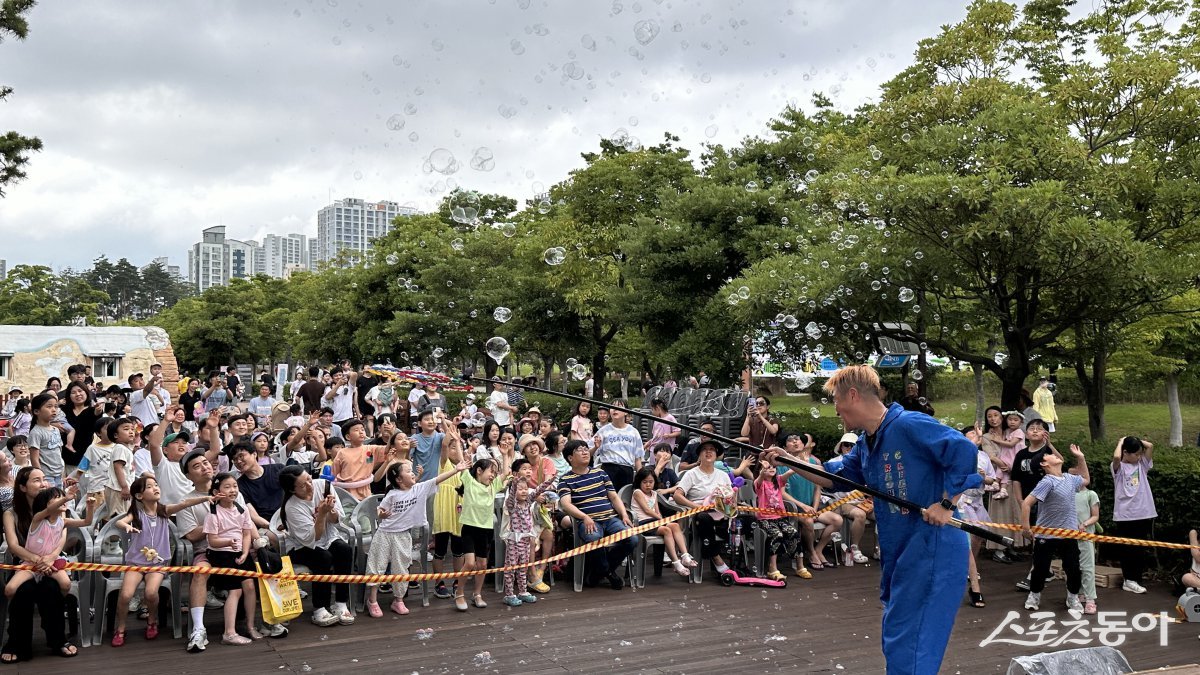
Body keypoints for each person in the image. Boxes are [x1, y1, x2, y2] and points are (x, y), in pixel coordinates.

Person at [767, 364, 981, 675]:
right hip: (902, 548)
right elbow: (833, 478)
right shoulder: (868, 443)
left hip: (932, 544)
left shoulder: (908, 424)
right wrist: (787, 461)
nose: (837, 410)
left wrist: (947, 503)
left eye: (837, 401)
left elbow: (962, 449)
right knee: (898, 633)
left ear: (852, 395)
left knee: (914, 637)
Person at [1, 468, 91, 661]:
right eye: (36, 480)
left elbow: (61, 537)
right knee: (22, 591)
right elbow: (13, 546)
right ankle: (16, 643)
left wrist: (50, 559)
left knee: (52, 588)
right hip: (25, 562)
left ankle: (58, 640)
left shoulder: (57, 509)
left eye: (44, 479)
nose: (43, 484)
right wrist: (37, 560)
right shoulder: (12, 514)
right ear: (23, 487)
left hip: (52, 560)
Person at [111, 476, 211, 645]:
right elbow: (120, 522)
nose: (155, 488)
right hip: (135, 563)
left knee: (151, 593)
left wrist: (206, 498)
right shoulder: (136, 513)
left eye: (156, 485)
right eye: (149, 487)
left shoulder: (164, 511)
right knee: (126, 594)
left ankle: (152, 620)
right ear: (139, 496)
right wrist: (126, 526)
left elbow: (184, 503)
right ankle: (120, 628)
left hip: (157, 564)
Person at [364, 457, 467, 617]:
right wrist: (382, 514)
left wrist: (456, 469)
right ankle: (372, 600)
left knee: (401, 568)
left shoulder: (419, 489)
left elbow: (437, 479)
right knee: (377, 566)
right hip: (384, 535)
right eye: (408, 471)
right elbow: (379, 510)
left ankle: (398, 600)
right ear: (399, 479)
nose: (412, 474)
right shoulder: (392, 494)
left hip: (403, 535)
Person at [278, 465, 355, 627]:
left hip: (329, 537)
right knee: (323, 557)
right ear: (292, 490)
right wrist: (321, 514)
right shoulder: (292, 507)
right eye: (303, 485)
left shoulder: (324, 486)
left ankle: (341, 603)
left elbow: (338, 520)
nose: (309, 485)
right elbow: (313, 539)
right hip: (300, 546)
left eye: (308, 479)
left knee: (344, 550)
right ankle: (319, 608)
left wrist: (330, 511)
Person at [1019, 443, 1091, 612]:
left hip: (1069, 533)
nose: (1056, 455)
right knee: (1041, 568)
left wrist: (1081, 458)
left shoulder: (1069, 478)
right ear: (1045, 464)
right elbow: (1026, 504)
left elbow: (1086, 480)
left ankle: (1073, 598)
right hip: (1047, 534)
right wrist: (1026, 527)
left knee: (1073, 568)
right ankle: (1034, 595)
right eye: (1049, 454)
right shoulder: (1047, 482)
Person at [558, 440, 637, 590]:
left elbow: (614, 497)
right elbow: (566, 504)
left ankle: (599, 572)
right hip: (588, 522)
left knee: (632, 539)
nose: (585, 452)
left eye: (586, 449)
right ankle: (608, 573)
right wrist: (584, 517)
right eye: (579, 450)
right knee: (594, 539)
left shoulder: (600, 473)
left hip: (610, 519)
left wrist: (624, 515)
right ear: (570, 458)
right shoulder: (565, 480)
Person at [672, 439, 735, 575]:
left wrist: (731, 502)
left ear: (717, 454)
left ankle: (739, 563)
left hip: (721, 513)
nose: (708, 452)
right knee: (704, 518)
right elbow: (677, 495)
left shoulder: (723, 475)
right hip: (700, 515)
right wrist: (695, 506)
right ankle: (716, 558)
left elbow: (731, 497)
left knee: (747, 521)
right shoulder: (691, 474)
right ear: (699, 455)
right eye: (704, 449)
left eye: (712, 449)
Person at [454, 457, 510, 610]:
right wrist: (457, 441)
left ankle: (477, 594)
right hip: (469, 528)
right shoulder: (470, 482)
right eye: (491, 471)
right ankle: (459, 593)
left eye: (495, 473)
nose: (493, 475)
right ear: (479, 471)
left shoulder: (493, 486)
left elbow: (506, 472)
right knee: (470, 563)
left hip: (485, 530)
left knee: (483, 564)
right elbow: (462, 464)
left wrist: (505, 454)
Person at [781, 433, 842, 572]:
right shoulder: (782, 464)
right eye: (790, 441)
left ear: (804, 444)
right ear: (784, 447)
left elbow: (817, 489)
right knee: (808, 522)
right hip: (792, 509)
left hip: (811, 508)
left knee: (837, 520)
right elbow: (782, 492)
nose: (795, 442)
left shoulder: (813, 463)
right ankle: (811, 553)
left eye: (798, 440)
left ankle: (818, 549)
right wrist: (803, 506)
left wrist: (814, 508)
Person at [500, 466, 555, 606]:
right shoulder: (512, 504)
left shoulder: (529, 502)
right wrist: (514, 485)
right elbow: (511, 496)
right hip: (514, 540)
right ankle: (509, 594)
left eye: (525, 488)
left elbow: (538, 490)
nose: (524, 491)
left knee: (523, 567)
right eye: (521, 489)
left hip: (526, 539)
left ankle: (523, 591)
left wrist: (551, 480)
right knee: (510, 568)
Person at [1111, 435, 1157, 594]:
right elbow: (1117, 457)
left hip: (1143, 512)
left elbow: (1149, 445)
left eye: (1139, 454)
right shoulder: (1118, 468)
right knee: (1128, 549)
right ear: (1126, 452)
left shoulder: (1141, 465)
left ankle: (1135, 579)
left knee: (1140, 549)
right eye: (1136, 454)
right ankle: (1129, 579)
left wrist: (1136, 440)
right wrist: (1120, 440)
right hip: (1125, 515)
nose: (1139, 456)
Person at [958, 425, 996, 608]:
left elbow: (992, 480)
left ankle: (967, 568)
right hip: (962, 501)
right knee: (967, 539)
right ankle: (975, 587)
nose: (976, 435)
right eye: (971, 433)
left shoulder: (984, 457)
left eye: (976, 432)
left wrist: (983, 477)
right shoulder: (960, 454)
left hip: (978, 500)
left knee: (980, 535)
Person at [631, 466, 694, 576]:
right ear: (639, 482)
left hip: (654, 522)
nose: (648, 485)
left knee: (674, 525)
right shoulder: (637, 492)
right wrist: (661, 519)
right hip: (642, 523)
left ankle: (684, 555)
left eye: (651, 482)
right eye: (645, 482)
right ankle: (676, 562)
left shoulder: (654, 494)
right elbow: (646, 510)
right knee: (666, 530)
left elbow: (657, 510)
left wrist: (660, 518)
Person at [755, 461, 801, 582]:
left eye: (773, 466)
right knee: (777, 534)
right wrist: (762, 471)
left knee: (794, 532)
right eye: (767, 467)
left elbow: (791, 471)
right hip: (765, 519)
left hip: (780, 518)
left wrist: (797, 462)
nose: (771, 468)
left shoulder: (779, 480)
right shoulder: (760, 483)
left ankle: (800, 566)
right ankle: (772, 568)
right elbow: (759, 480)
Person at [592, 399, 642, 491]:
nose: (614, 409)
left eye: (618, 407)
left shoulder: (634, 432)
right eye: (612, 407)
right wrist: (595, 447)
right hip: (608, 469)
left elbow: (637, 458)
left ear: (626, 412)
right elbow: (588, 452)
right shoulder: (603, 431)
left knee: (623, 499)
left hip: (627, 470)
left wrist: (641, 479)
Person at [27, 393, 66, 488]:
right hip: (46, 476)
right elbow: (34, 459)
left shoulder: (55, 429)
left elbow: (59, 452)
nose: (53, 410)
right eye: (49, 406)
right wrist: (41, 478)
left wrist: (63, 474)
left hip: (59, 474)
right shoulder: (36, 432)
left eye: (55, 406)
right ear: (36, 411)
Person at [1075, 481, 1101, 615]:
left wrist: (1084, 524)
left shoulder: (1091, 494)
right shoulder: (1068, 494)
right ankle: (1078, 594)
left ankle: (1090, 599)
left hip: (1086, 536)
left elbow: (1095, 516)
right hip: (1070, 536)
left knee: (1087, 568)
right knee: (1073, 568)